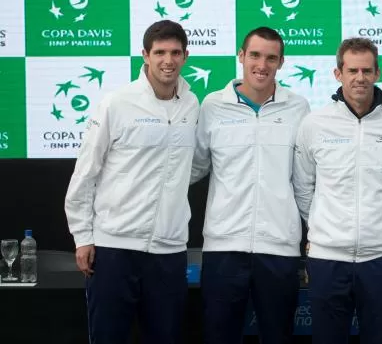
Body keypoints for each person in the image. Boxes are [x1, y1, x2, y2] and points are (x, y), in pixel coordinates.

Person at [64, 20, 200, 344]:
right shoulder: (117, 102)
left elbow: (189, 167)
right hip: (115, 248)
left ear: (186, 56)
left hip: (169, 251)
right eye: (160, 52)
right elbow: (86, 172)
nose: (168, 60)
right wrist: (83, 235)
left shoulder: (192, 106)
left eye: (175, 53)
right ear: (145, 55)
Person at [191, 27, 310, 344]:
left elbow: (304, 179)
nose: (262, 65)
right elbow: (194, 168)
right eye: (255, 55)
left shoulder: (298, 108)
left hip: (279, 249)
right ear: (241, 57)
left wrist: (316, 232)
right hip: (223, 249)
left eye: (271, 58)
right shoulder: (212, 106)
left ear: (281, 63)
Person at [293, 37, 382, 344]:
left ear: (378, 73)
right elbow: (304, 186)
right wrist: (322, 227)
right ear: (338, 74)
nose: (360, 78)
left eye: (367, 70)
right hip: (328, 259)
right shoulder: (313, 124)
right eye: (353, 70)